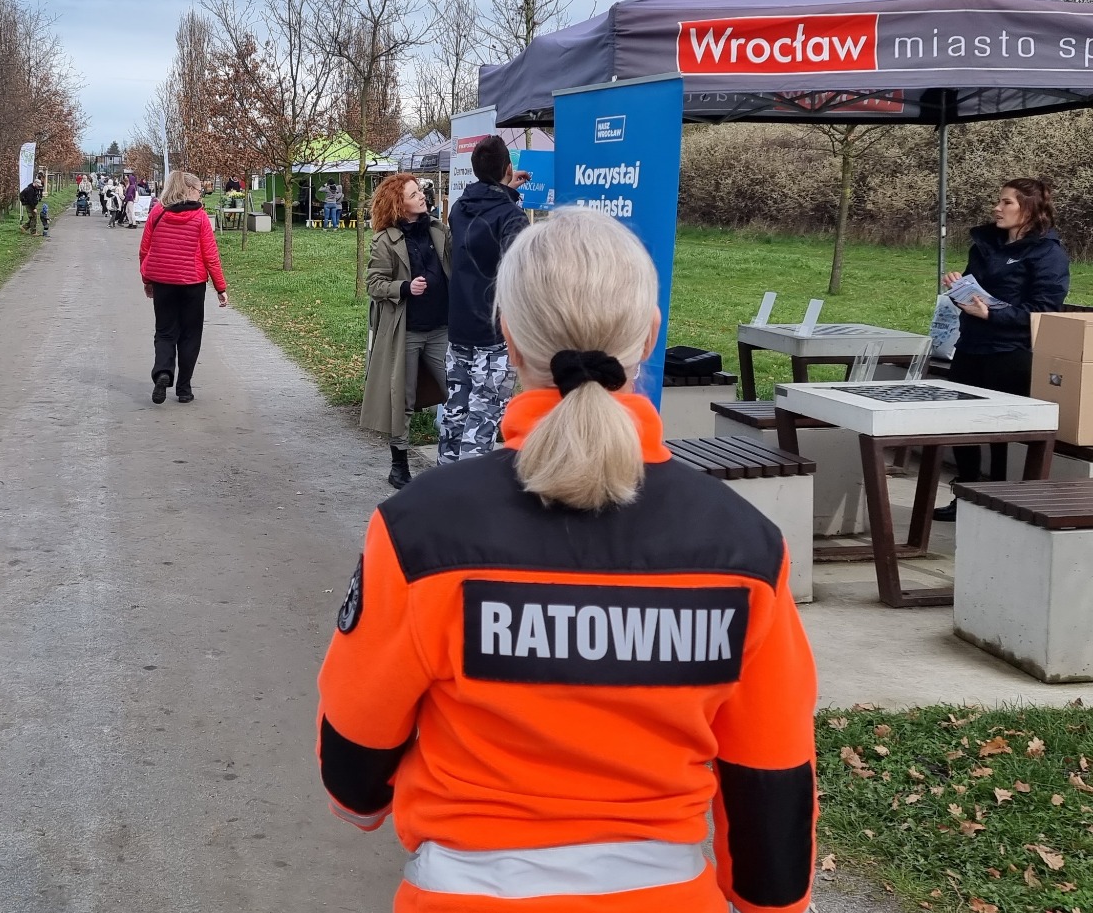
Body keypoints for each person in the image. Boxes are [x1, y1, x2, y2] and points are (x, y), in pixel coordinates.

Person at [317, 209, 818, 913]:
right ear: (650, 335)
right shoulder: (745, 546)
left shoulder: (419, 530)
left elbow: (355, 756)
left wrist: (366, 800)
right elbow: (773, 774)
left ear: (508, 337)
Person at [934, 177, 1070, 520]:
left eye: (1007, 202)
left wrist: (993, 314)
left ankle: (994, 500)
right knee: (959, 424)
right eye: (999, 201)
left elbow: (1045, 310)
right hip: (970, 346)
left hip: (1011, 352)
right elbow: (976, 291)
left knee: (997, 430)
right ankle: (964, 497)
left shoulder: (1047, 253)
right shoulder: (984, 244)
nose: (997, 208)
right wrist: (959, 288)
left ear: (1030, 209)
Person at [441, 137, 530, 463]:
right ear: (508, 168)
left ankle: (445, 480)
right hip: (494, 334)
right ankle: (469, 489)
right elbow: (517, 273)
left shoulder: (459, 209)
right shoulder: (512, 217)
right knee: (484, 416)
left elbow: (484, 213)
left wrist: (505, 189)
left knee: (455, 412)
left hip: (459, 327)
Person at [360, 172, 450, 489]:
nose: (422, 196)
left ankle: (453, 457)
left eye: (420, 191)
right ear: (399, 204)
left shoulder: (438, 230)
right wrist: (405, 287)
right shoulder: (385, 240)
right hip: (406, 332)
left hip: (441, 328)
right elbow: (373, 284)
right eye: (414, 194)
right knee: (403, 398)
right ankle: (399, 465)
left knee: (457, 388)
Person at [139, 170, 229, 405]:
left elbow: (145, 250)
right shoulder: (200, 217)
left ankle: (163, 372)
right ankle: (184, 389)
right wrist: (220, 288)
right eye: (199, 190)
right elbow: (211, 256)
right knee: (190, 335)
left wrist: (147, 281)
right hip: (192, 284)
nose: (200, 195)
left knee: (165, 332)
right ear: (189, 190)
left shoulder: (157, 213)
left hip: (163, 283)